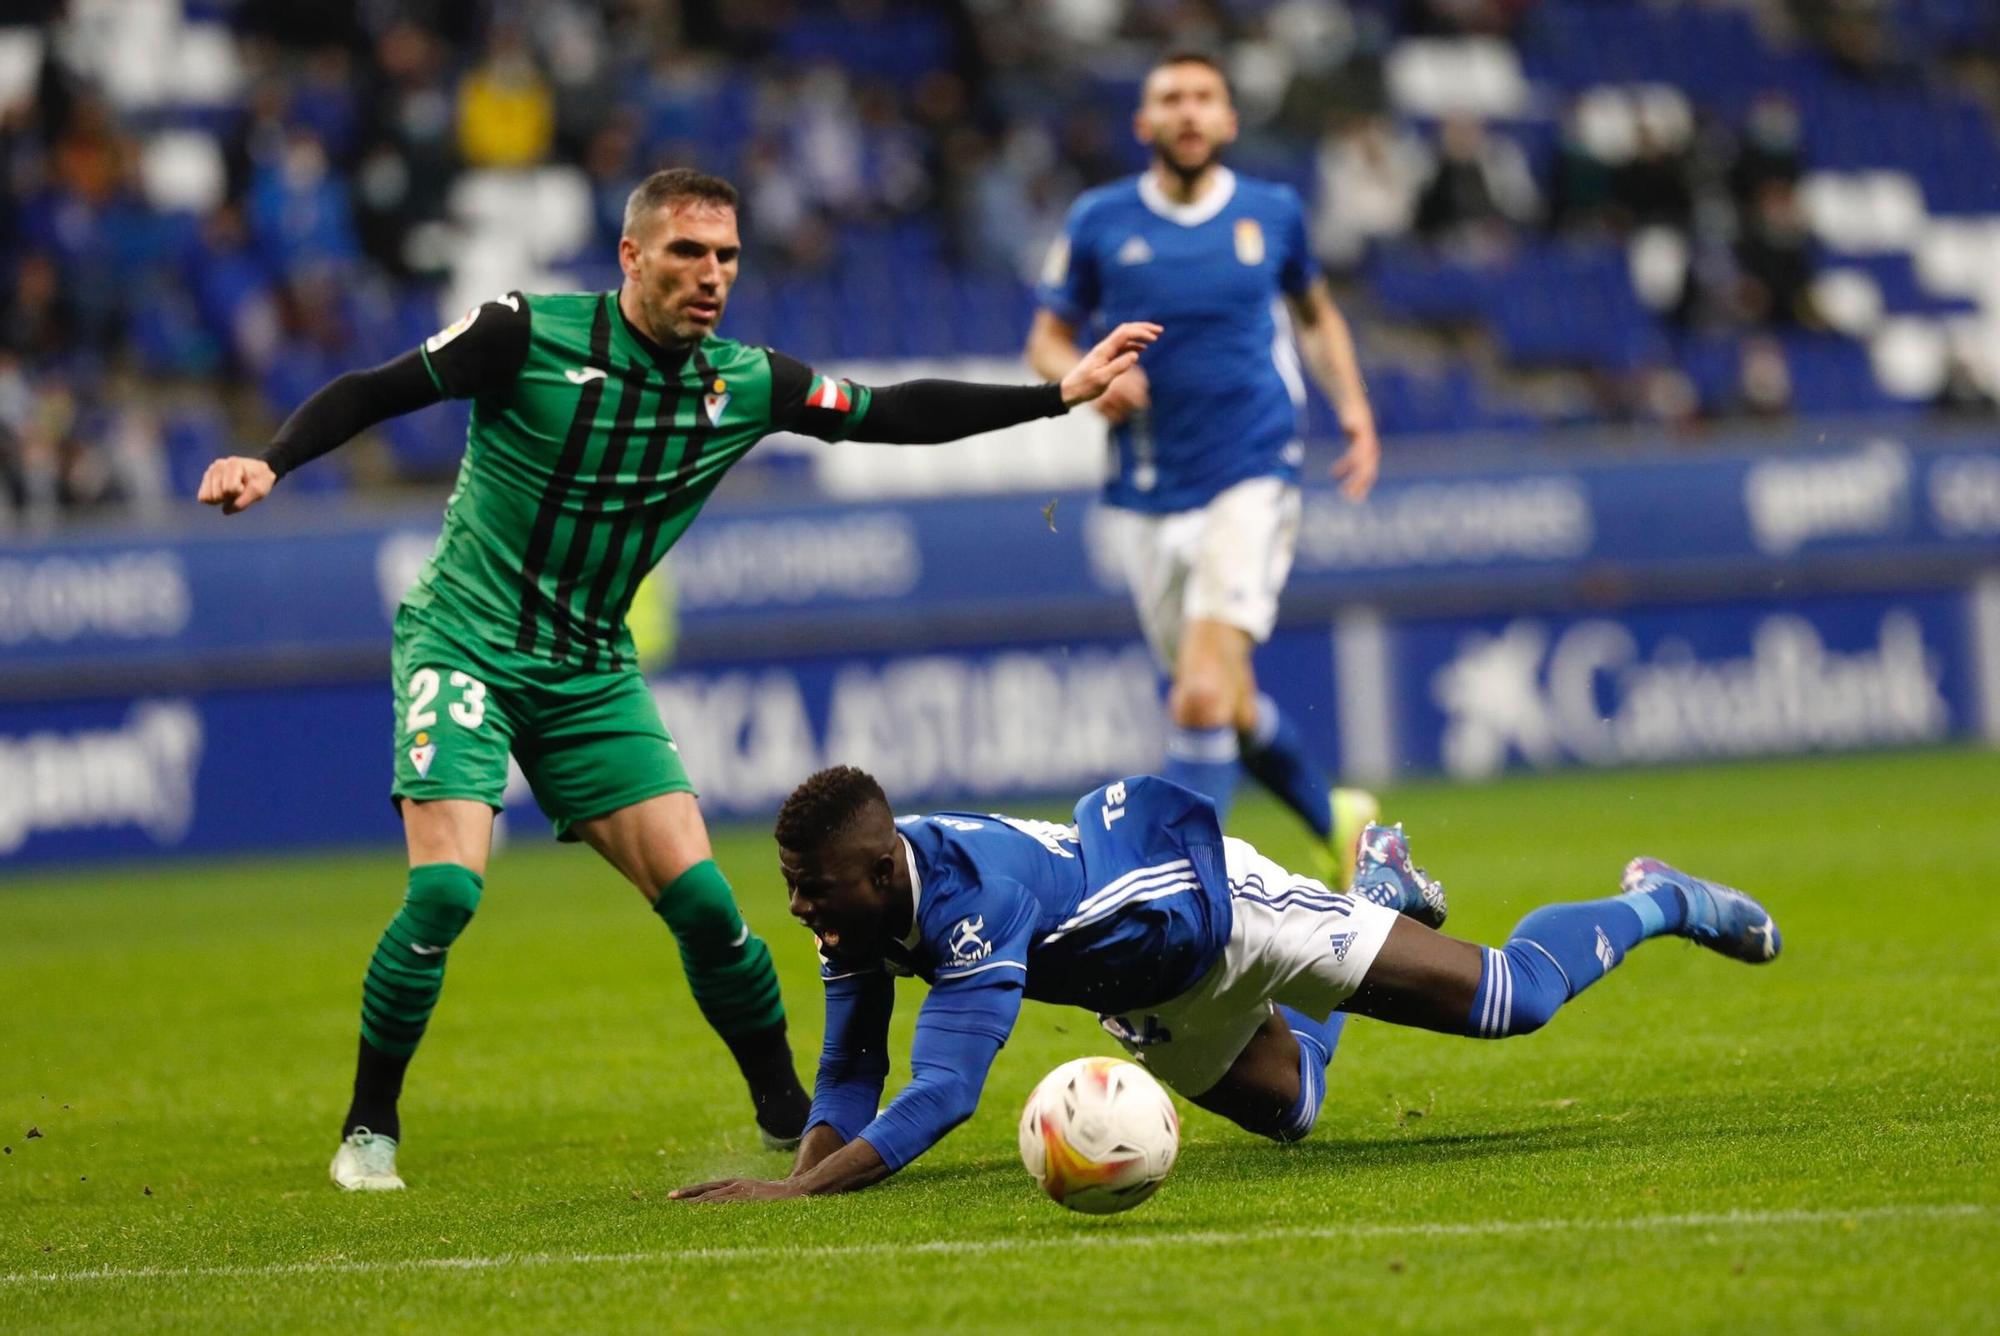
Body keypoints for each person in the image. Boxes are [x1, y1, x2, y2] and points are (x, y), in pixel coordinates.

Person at [196, 167, 1160, 1192]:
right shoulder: (524, 333)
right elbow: (375, 389)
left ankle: (788, 1110)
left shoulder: (744, 382)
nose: (711, 276)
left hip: (588, 669)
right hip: (463, 641)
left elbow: (887, 412)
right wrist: (272, 459)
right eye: (687, 253)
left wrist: (1057, 393)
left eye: (727, 257)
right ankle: (367, 1131)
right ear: (631, 257)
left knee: (705, 905)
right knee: (443, 889)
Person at [668, 765, 1779, 1202]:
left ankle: (1658, 898)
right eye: (791, 887)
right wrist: (809, 1161)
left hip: (1225, 912)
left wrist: (800, 1191)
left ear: (875, 870)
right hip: (1147, 990)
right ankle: (1381, 892)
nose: (799, 906)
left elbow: (946, 1088)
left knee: (1510, 1000)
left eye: (811, 888)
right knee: (1294, 1109)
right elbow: (851, 1062)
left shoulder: (970, 900)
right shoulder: (859, 904)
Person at [1024, 51, 1382, 883]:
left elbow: (1318, 318)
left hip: (1252, 472)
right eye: (1170, 100)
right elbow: (1045, 339)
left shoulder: (1273, 212)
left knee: (1196, 698)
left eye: (1203, 99)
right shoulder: (1100, 220)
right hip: (1147, 493)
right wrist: (1084, 374)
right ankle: (1337, 819)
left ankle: (1184, 902)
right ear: (1144, 124)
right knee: (1232, 700)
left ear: (1227, 120)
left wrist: (1356, 412)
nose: (1188, 113)